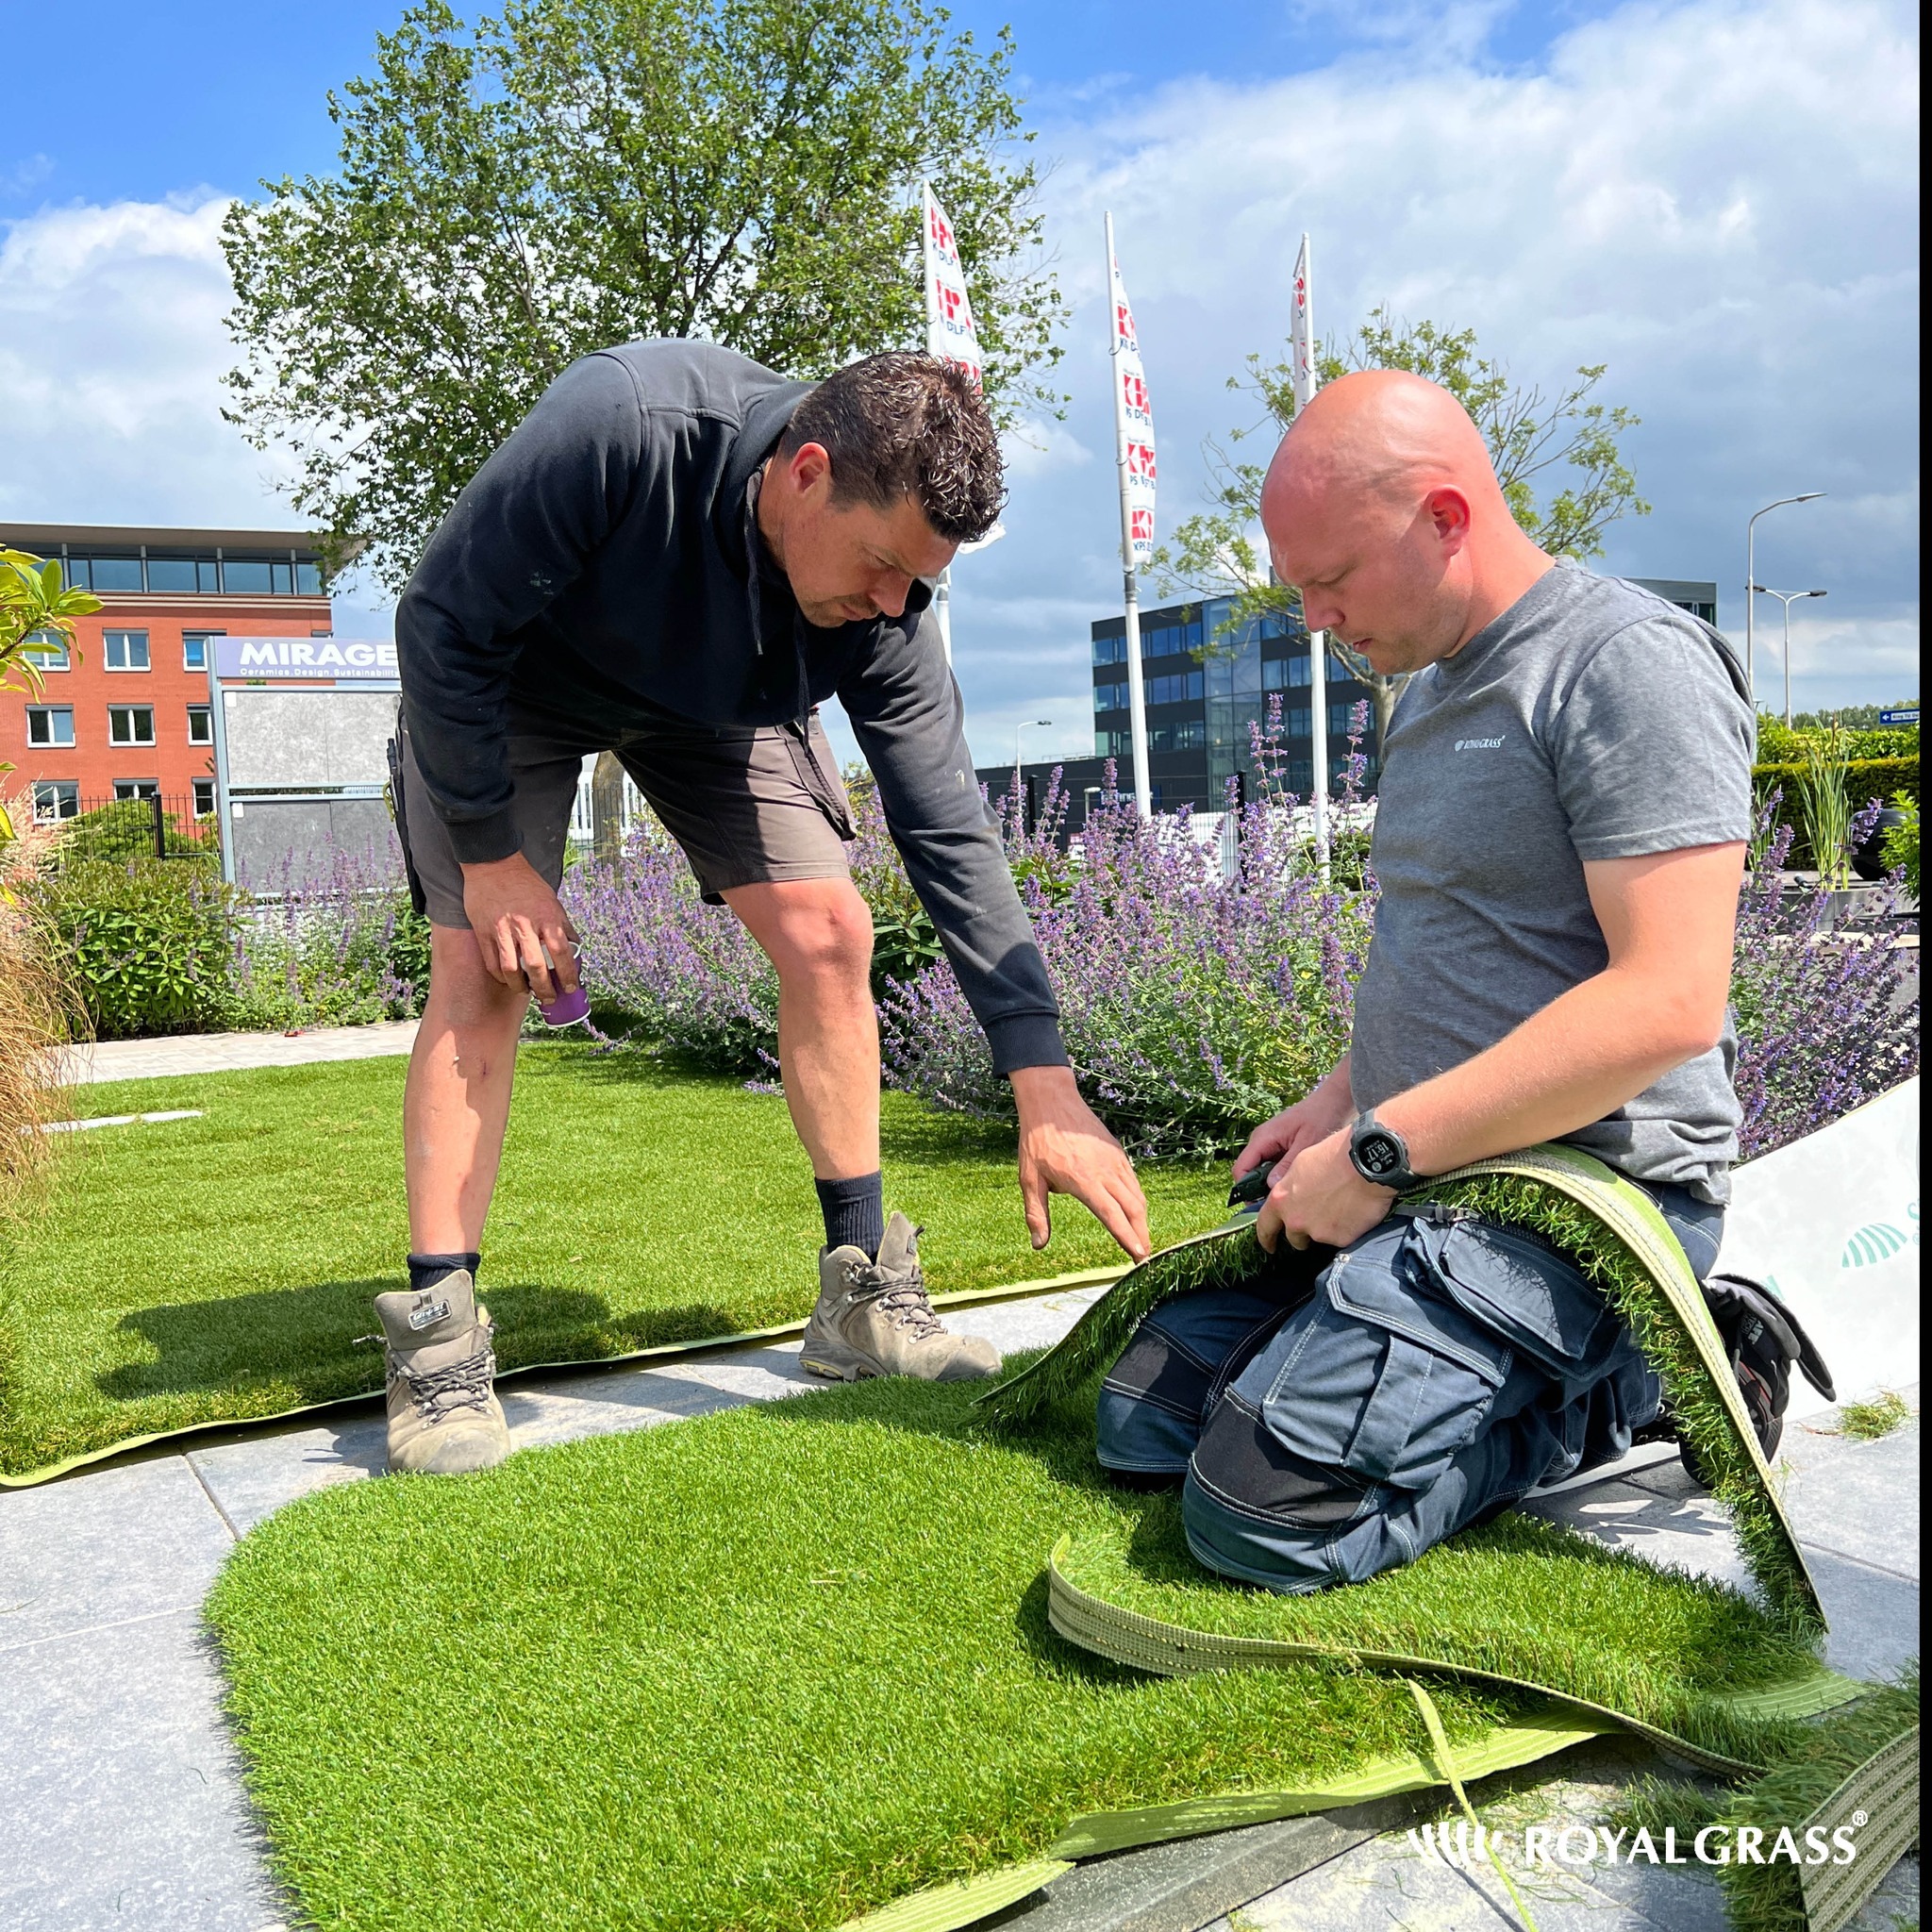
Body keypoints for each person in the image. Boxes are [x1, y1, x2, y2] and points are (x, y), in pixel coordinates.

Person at [376, 344, 1150, 1476]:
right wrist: (491, 860)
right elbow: (441, 622)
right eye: (880, 564)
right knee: (483, 966)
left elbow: (947, 827)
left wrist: (1044, 1080)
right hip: (516, 683)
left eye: (917, 583)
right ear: (805, 472)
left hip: (719, 702)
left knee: (831, 932)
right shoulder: (623, 428)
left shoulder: (885, 608)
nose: (891, 605)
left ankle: (858, 1294)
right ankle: (438, 1342)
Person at [1094, 369, 1756, 1591]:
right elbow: (1445, 943)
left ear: (1445, 518)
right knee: (1142, 1418)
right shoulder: (1428, 694)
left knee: (1261, 1516)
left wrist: (1377, 1153)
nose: (1313, 618)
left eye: (1332, 579)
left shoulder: (1625, 665)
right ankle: (1486, 1359)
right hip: (1416, 1161)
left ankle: (1641, 1377)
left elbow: (1669, 1000)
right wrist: (1337, 1101)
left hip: (1583, 1191)